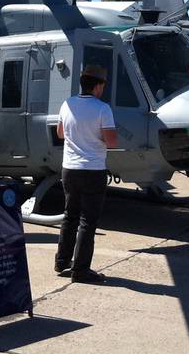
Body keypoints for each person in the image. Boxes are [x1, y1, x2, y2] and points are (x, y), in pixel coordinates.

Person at [55, 64, 117, 284]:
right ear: (98, 86)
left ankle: (62, 261)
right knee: (87, 221)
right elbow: (111, 141)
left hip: (69, 169)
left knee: (69, 216)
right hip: (92, 170)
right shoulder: (102, 109)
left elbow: (60, 133)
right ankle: (81, 270)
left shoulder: (67, 104)